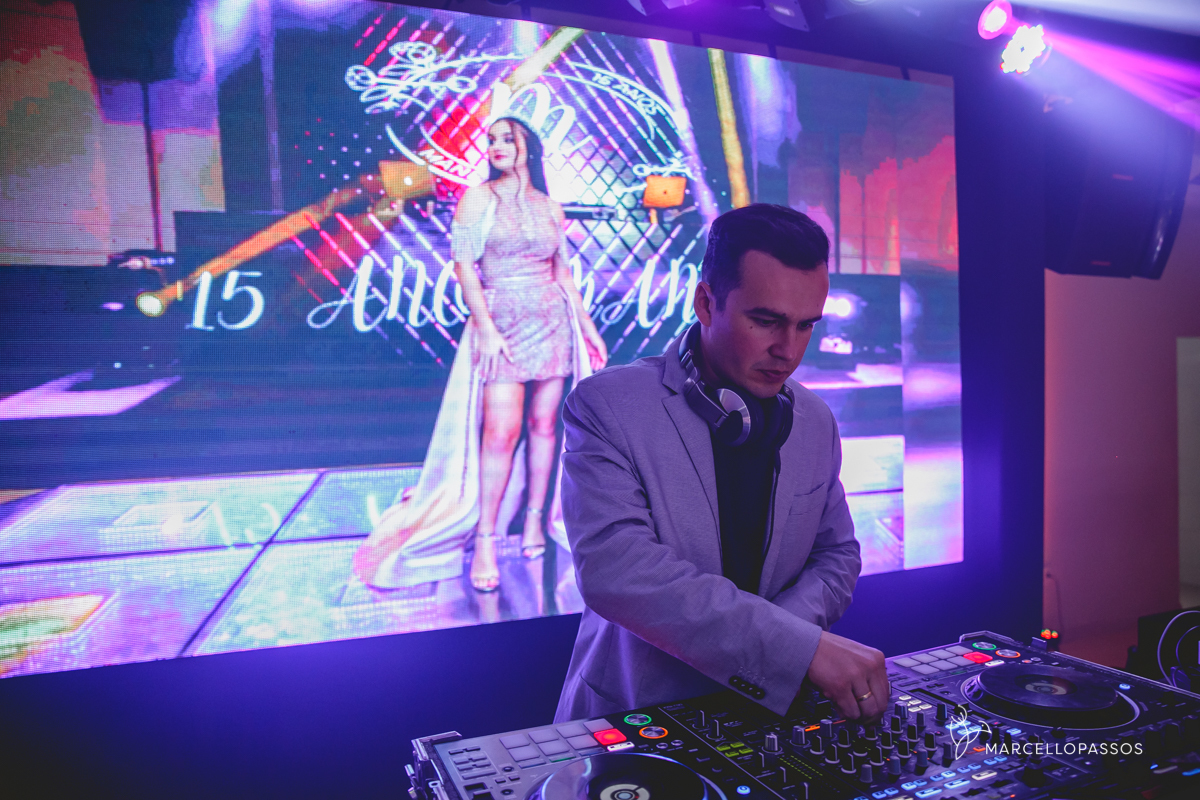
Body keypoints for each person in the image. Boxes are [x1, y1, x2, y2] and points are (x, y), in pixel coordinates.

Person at [554, 203, 888, 724]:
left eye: (805, 325)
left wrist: (784, 646)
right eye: (766, 321)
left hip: (769, 715)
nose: (788, 350)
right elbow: (616, 570)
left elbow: (837, 555)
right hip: (636, 719)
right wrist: (793, 648)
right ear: (706, 303)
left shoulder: (816, 420)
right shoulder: (607, 406)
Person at [352, 116, 607, 593]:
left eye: (508, 139)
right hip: (501, 322)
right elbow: (463, 266)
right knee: (500, 433)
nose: (496, 146)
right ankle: (486, 537)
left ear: (530, 147)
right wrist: (485, 328)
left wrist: (588, 329)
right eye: (491, 140)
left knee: (545, 426)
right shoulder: (476, 198)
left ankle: (533, 522)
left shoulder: (550, 206)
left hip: (552, 322)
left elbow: (563, 274)